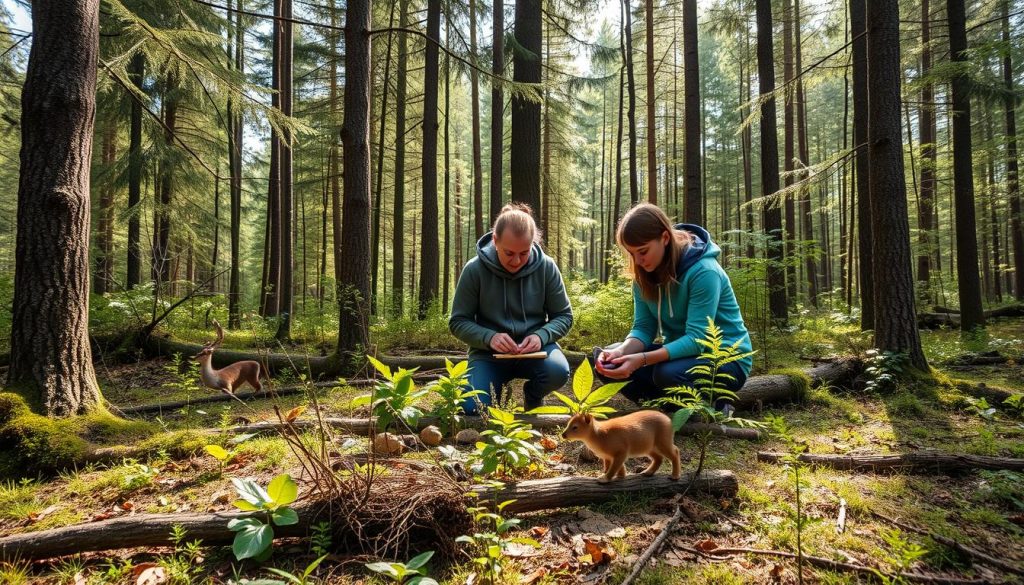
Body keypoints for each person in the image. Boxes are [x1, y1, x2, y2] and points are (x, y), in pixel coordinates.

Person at [595, 203, 752, 413]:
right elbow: (643, 328)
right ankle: (669, 407)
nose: (638, 261)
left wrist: (641, 360)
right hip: (679, 359)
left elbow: (697, 340)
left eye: (643, 251)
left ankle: (711, 404)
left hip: (725, 359)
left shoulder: (704, 272)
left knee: (666, 373)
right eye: (631, 254)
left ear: (665, 238)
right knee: (607, 362)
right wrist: (621, 353)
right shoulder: (642, 276)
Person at [449, 203, 573, 414]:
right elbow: (458, 322)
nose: (516, 261)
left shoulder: (546, 267)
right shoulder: (474, 270)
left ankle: (533, 395)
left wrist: (541, 336)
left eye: (524, 253)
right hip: (488, 354)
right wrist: (489, 337)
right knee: (472, 407)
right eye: (509, 253)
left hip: (536, 351)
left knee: (558, 371)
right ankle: (494, 391)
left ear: (533, 243)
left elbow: (564, 316)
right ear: (495, 240)